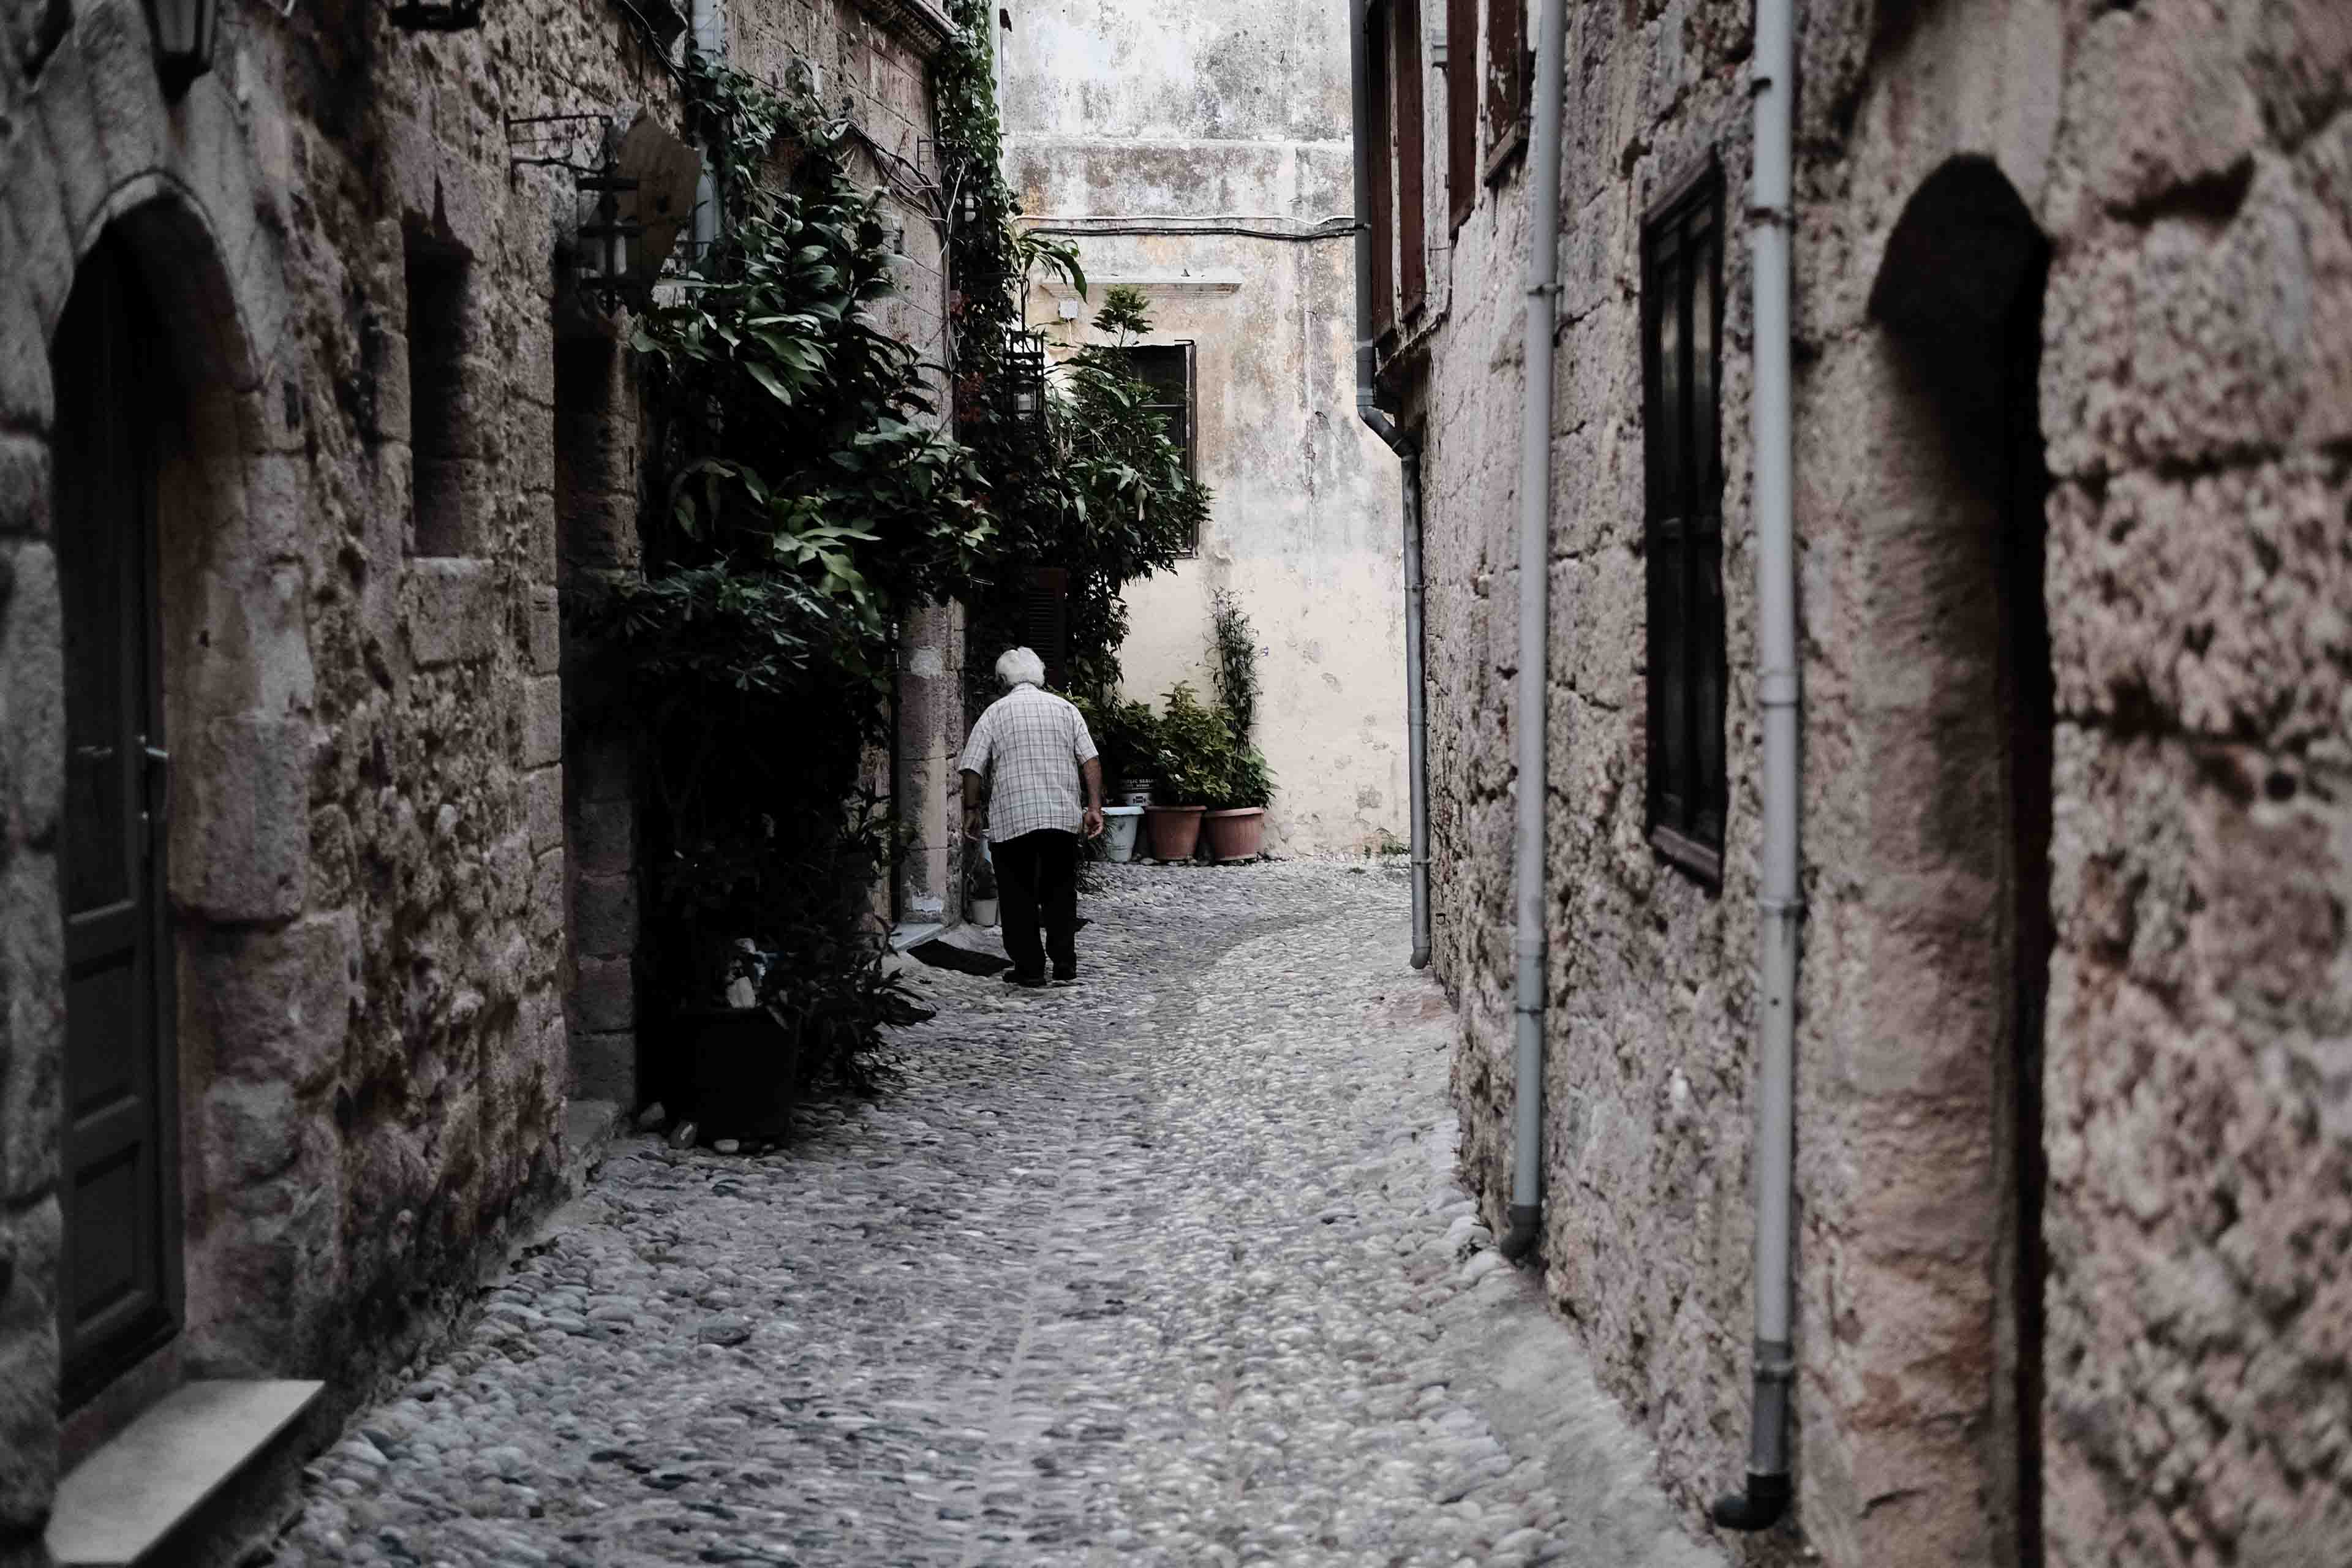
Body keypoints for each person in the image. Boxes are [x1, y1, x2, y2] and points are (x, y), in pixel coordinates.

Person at [959, 647, 1104, 987]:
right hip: (1060, 817)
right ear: (1040, 676)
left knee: (1017, 895)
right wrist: (1094, 807)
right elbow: (1091, 761)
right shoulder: (1066, 709)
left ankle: (1030, 969)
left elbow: (972, 768)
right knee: (1060, 891)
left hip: (1014, 820)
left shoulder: (995, 713)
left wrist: (971, 810)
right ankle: (1065, 964)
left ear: (1002, 680)